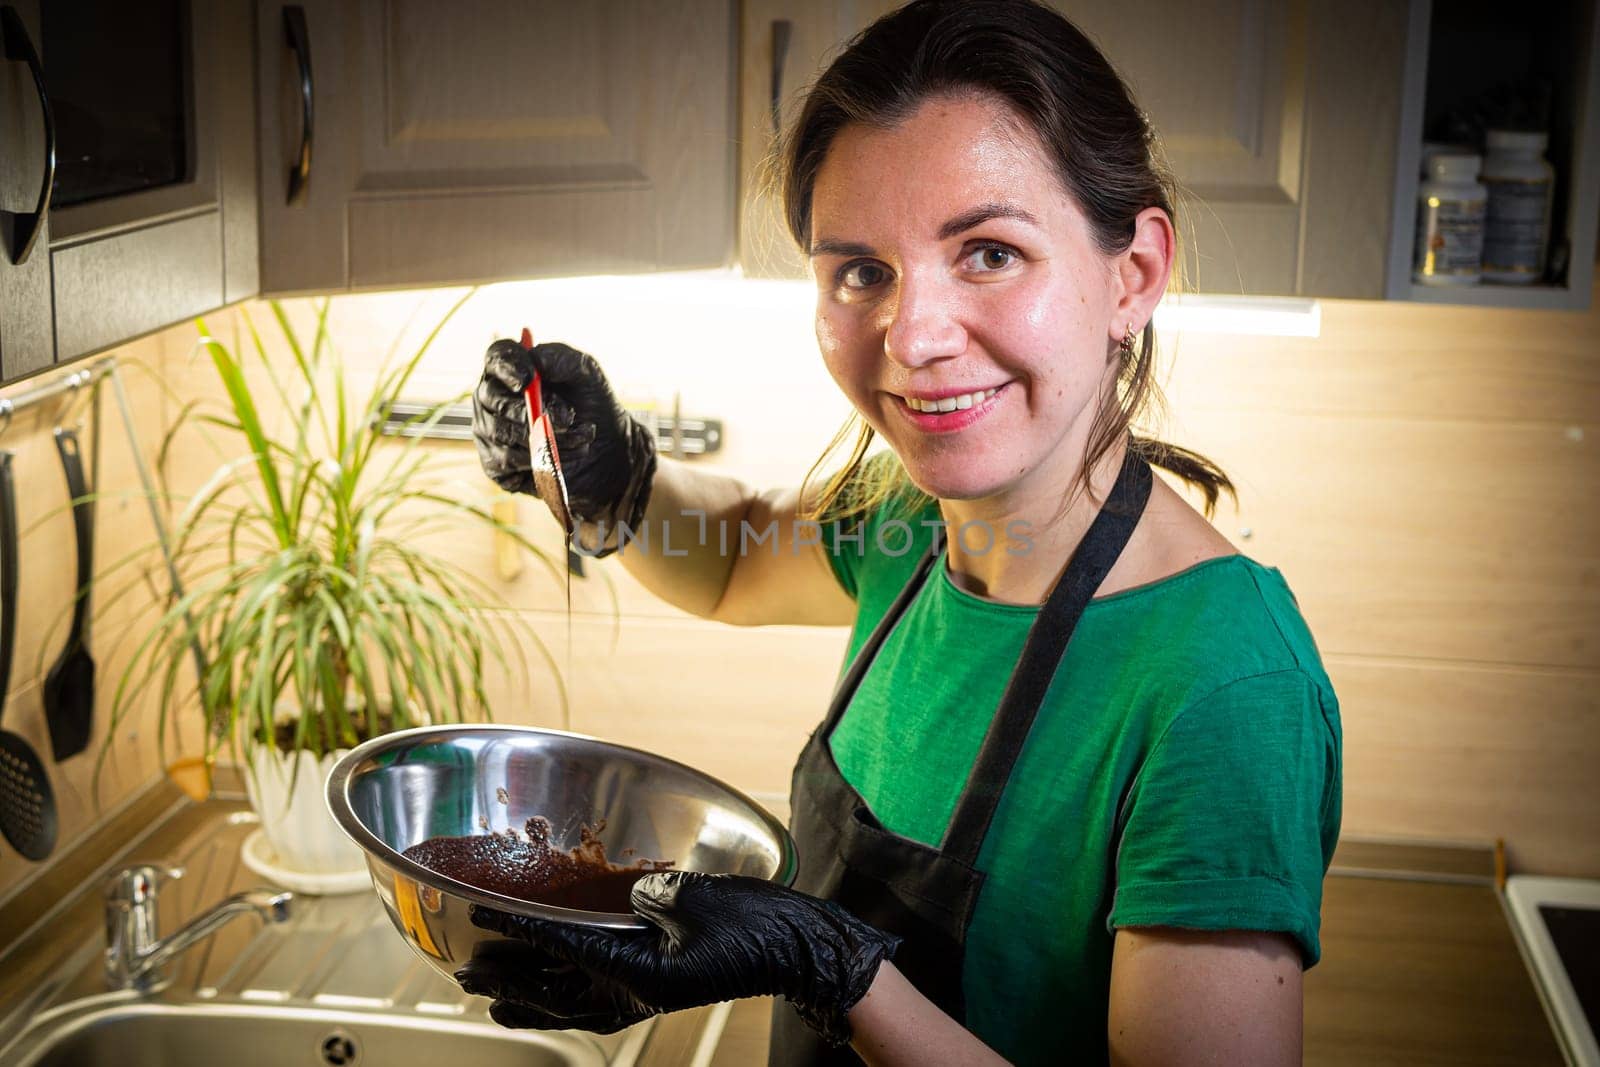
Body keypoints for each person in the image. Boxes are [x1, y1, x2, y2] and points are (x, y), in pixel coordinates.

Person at [463, 1, 1342, 1063]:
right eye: (859, 271)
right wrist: (610, 478)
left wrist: (831, 965)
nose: (913, 336)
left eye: (988, 252)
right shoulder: (915, 524)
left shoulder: (1224, 685)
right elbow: (736, 561)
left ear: (1133, 274)